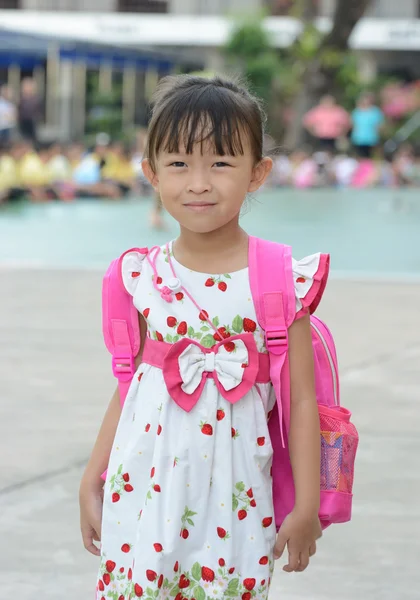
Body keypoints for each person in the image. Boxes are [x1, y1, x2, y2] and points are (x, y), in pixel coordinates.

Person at [79, 75, 325, 599]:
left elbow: (301, 398)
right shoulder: (141, 274)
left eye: (220, 162)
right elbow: (133, 382)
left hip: (234, 496)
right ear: (150, 172)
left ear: (257, 174)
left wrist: (308, 505)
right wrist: (92, 475)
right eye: (178, 164)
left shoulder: (280, 278)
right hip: (142, 485)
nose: (198, 182)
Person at [351, 93, 385, 158]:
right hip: (358, 138)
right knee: (360, 156)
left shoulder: (375, 111)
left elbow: (379, 124)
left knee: (369, 156)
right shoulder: (357, 112)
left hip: (371, 138)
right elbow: (353, 124)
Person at [18, 78, 42, 143]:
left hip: (32, 121)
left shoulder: (36, 98)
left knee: (32, 138)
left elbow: (38, 110)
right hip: (23, 121)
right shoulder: (21, 98)